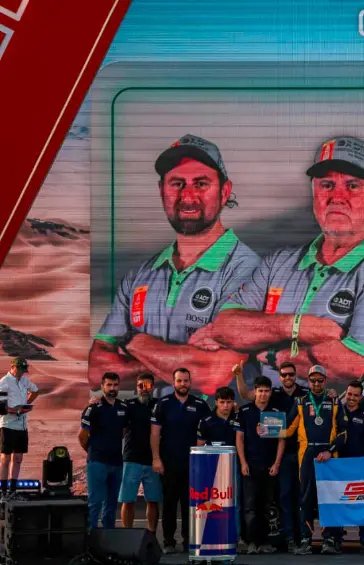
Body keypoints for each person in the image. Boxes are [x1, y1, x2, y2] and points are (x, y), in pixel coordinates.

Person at [189, 135, 364, 384]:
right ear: (313, 192)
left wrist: (269, 353)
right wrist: (300, 327)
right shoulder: (278, 264)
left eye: (352, 186)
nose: (337, 196)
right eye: (326, 185)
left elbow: (358, 366)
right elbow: (224, 326)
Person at [89, 134, 260, 395]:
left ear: (225, 191)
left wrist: (135, 343)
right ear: (161, 191)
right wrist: (180, 360)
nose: (187, 195)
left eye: (201, 183)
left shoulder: (251, 272)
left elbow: (213, 375)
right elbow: (96, 371)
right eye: (177, 183)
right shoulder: (141, 276)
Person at [284, 365, 346, 555]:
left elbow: (343, 433)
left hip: (328, 456)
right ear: (308, 381)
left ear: (325, 381)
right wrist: (265, 430)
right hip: (307, 455)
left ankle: (329, 540)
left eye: (320, 380)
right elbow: (287, 429)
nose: (317, 384)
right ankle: (305, 540)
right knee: (306, 499)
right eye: (313, 380)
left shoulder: (335, 401)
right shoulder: (301, 402)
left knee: (329, 499)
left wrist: (331, 451)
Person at [151, 368, 210, 554]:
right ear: (173, 382)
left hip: (193, 465)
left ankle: (188, 540)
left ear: (190, 383)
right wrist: (156, 458)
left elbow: (210, 428)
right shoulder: (163, 404)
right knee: (169, 503)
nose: (183, 384)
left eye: (186, 381)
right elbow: (154, 433)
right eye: (179, 381)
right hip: (168, 463)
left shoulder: (200, 404)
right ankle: (168, 541)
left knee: (189, 505)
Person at [234, 376, 285, 554]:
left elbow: (281, 441)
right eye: (260, 390)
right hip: (250, 466)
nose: (263, 394)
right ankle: (251, 543)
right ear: (254, 391)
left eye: (266, 391)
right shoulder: (245, 411)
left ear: (270, 392)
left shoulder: (275, 412)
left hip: (269, 467)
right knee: (250, 507)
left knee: (266, 506)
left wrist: (276, 463)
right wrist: (243, 462)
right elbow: (239, 439)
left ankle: (263, 542)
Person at [336, 380, 364, 554]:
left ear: (361, 397)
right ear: (345, 393)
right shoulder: (336, 412)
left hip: (361, 466)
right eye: (349, 394)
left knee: (363, 504)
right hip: (339, 465)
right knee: (340, 504)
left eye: (356, 395)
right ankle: (337, 538)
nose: (352, 398)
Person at [79, 372, 126, 530]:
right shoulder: (93, 408)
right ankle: (90, 543)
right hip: (97, 462)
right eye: (109, 385)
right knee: (95, 503)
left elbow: (124, 431)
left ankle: (108, 541)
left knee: (111, 506)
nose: (112, 388)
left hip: (116, 463)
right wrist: (93, 452)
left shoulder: (122, 407)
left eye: (115, 385)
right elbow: (82, 437)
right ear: (102, 386)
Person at [118, 373, 161, 531]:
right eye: (140, 386)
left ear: (153, 387)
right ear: (137, 388)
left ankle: (151, 534)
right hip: (132, 458)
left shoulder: (159, 405)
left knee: (153, 500)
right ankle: (127, 533)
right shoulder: (127, 405)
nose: (144, 389)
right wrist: (96, 400)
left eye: (147, 386)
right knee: (127, 500)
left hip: (153, 460)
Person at [0, 357, 39, 498]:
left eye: (24, 370)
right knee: (5, 458)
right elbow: (1, 407)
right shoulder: (4, 382)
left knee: (18, 458)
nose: (22, 372)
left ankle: (13, 489)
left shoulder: (24, 380)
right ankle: (3, 490)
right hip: (8, 425)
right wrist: (15, 410)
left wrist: (25, 404)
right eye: (20, 369)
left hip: (22, 426)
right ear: (13, 367)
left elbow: (35, 390)